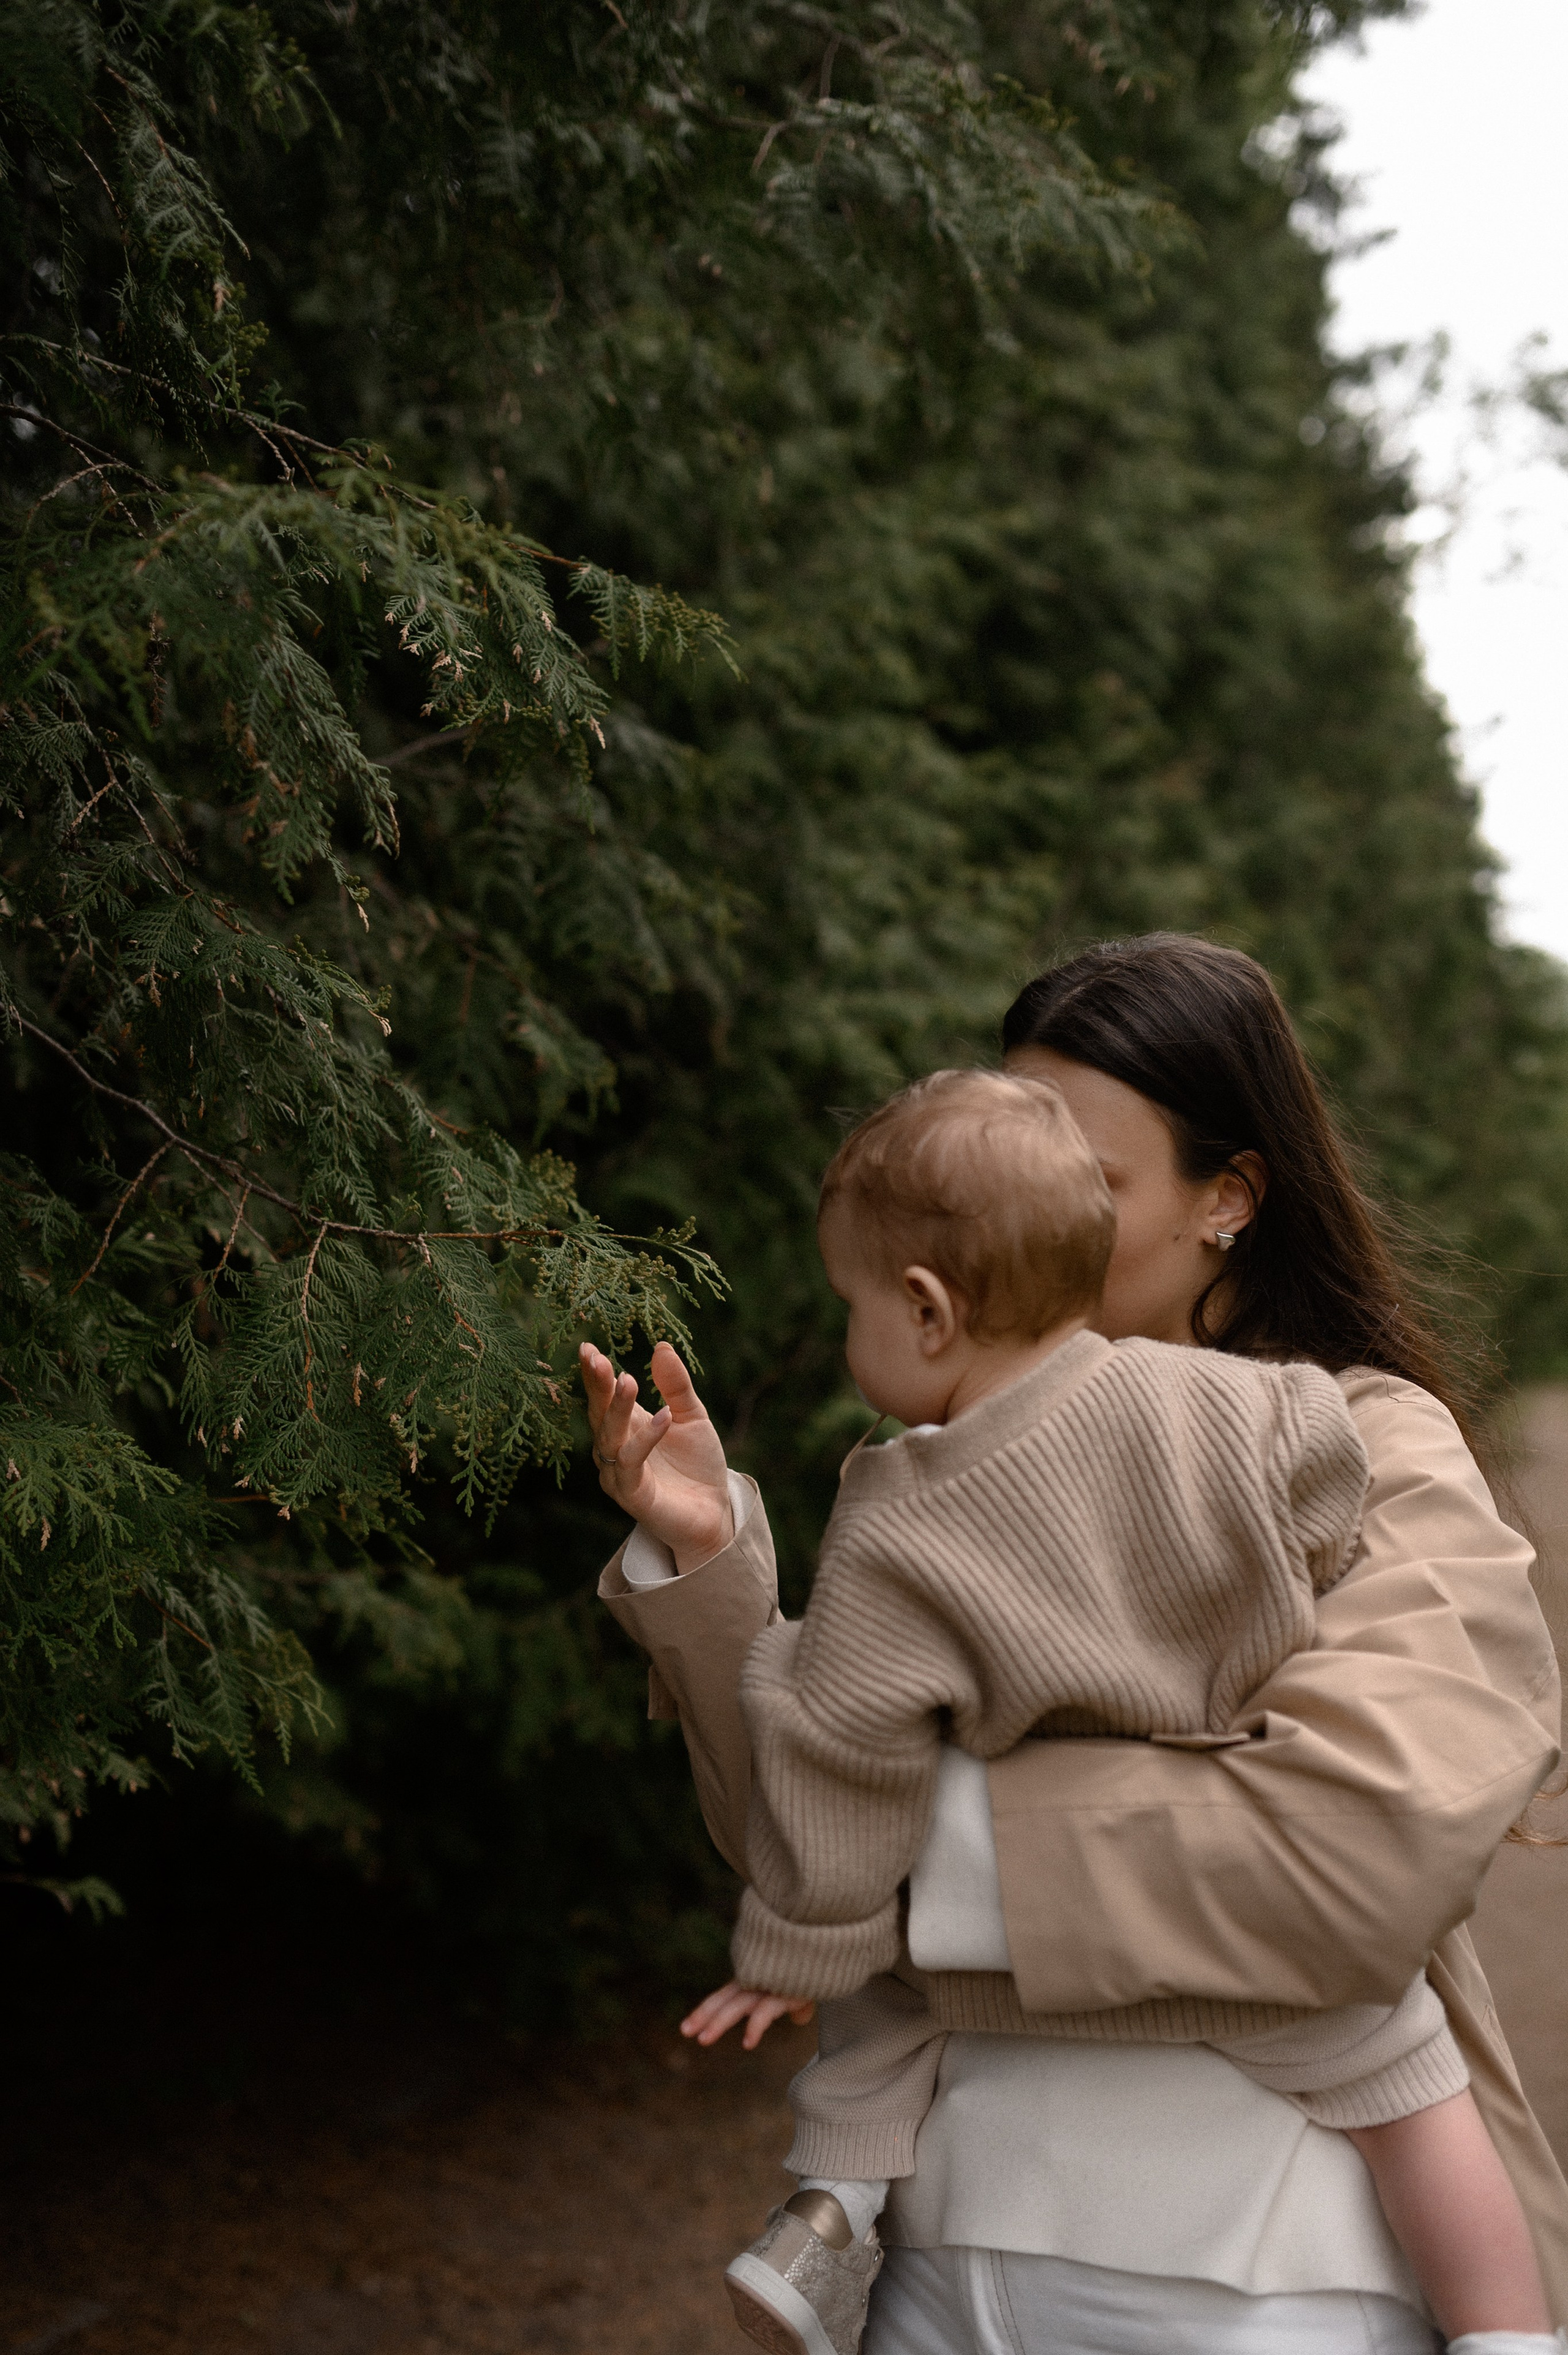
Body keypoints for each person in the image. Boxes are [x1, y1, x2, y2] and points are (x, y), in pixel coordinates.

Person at [587, 935, 1568, 2355]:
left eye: (1085, 1183)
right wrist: (711, 1565)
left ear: (1226, 1195)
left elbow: (1365, 1837)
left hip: (1258, 2273)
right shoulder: (932, 1464)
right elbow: (798, 1854)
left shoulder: (1363, 1442)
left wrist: (917, 1851)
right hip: (942, 2259)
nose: (1015, 1218)